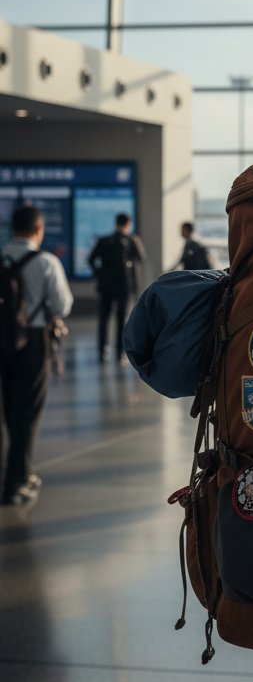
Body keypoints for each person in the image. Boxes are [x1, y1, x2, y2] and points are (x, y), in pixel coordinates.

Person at [0, 205, 73, 506]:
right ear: (38, 230)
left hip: (3, 339)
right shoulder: (46, 262)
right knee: (28, 412)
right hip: (33, 341)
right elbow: (62, 305)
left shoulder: (2, 259)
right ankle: (16, 482)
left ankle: (17, 471)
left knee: (10, 407)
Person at [88, 212, 145, 363]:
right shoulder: (131, 240)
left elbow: (91, 259)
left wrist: (99, 274)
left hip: (105, 286)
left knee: (104, 318)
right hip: (124, 287)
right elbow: (141, 258)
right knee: (122, 319)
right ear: (128, 224)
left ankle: (102, 350)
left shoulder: (105, 240)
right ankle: (120, 352)